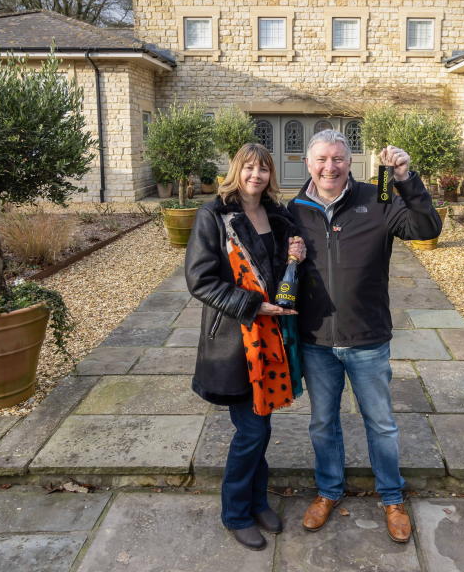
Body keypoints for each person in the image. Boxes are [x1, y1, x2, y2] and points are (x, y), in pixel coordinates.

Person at [287, 129, 441, 544]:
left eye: (337, 159)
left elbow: (426, 226)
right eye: (321, 159)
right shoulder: (295, 209)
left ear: (349, 162)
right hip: (316, 339)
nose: (329, 167)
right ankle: (328, 491)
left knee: (381, 424)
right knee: (323, 423)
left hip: (368, 337)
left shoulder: (377, 201)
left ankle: (392, 498)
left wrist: (406, 177)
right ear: (308, 163)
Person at [185, 143, 306, 551]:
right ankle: (236, 512)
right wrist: (255, 305)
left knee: (261, 426)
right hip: (237, 340)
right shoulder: (213, 215)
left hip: (272, 339)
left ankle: (256, 501)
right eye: (249, 167)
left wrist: (297, 253)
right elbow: (200, 281)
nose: (256, 175)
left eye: (264, 169)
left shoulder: (277, 213)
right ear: (237, 170)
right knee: (252, 430)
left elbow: (285, 261)